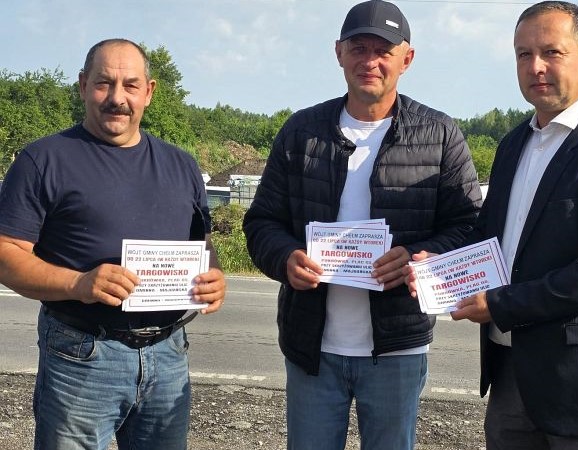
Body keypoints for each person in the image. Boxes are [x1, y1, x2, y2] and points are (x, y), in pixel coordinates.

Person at [406, 1, 578, 448]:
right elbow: (490, 237)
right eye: (523, 54)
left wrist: (501, 304)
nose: (535, 66)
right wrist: (439, 266)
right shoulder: (514, 145)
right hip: (510, 370)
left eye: (551, 52)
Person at [242, 1, 482, 449]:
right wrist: (286, 258)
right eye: (358, 48)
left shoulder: (440, 134)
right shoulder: (301, 132)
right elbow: (261, 222)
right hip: (312, 345)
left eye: (383, 51)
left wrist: (419, 259)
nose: (369, 61)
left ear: (406, 59)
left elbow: (468, 225)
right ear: (338, 53)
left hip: (398, 346)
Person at [0, 39, 226, 450]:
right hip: (82, 355)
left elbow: (202, 244)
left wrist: (213, 279)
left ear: (149, 92)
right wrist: (78, 283)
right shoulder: (43, 160)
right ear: (83, 85)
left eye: (131, 85)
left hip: (168, 355)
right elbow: (6, 253)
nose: (117, 98)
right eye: (104, 83)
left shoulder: (182, 165)